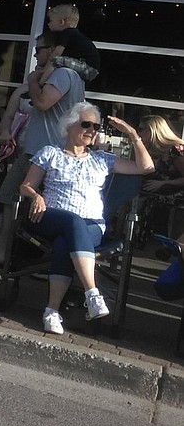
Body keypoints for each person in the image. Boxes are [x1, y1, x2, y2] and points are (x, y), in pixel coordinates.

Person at [19, 103, 152, 334]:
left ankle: (51, 311)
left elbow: (146, 167)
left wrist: (132, 134)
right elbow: (25, 186)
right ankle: (92, 293)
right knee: (72, 221)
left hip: (92, 226)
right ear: (69, 125)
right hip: (49, 217)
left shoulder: (102, 159)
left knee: (64, 243)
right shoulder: (50, 153)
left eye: (96, 126)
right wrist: (36, 195)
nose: (92, 130)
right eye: (86, 124)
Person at [0, 33, 86, 264]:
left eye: (39, 49)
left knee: (14, 197)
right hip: (40, 150)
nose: (35, 54)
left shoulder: (63, 74)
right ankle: (12, 250)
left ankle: (9, 252)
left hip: (45, 152)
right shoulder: (64, 76)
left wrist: (32, 81)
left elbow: (42, 102)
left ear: (53, 50)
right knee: (17, 199)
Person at [45, 3, 100, 82]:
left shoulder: (66, 33)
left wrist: (44, 72)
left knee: (56, 60)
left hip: (88, 68)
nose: (48, 24)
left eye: (51, 21)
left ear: (61, 22)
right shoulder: (72, 34)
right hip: (89, 68)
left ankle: (42, 82)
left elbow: (56, 55)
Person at [138, 115, 184, 197]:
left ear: (152, 130)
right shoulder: (151, 149)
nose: (139, 133)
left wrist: (163, 183)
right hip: (150, 198)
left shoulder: (176, 150)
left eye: (141, 129)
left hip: (172, 201)